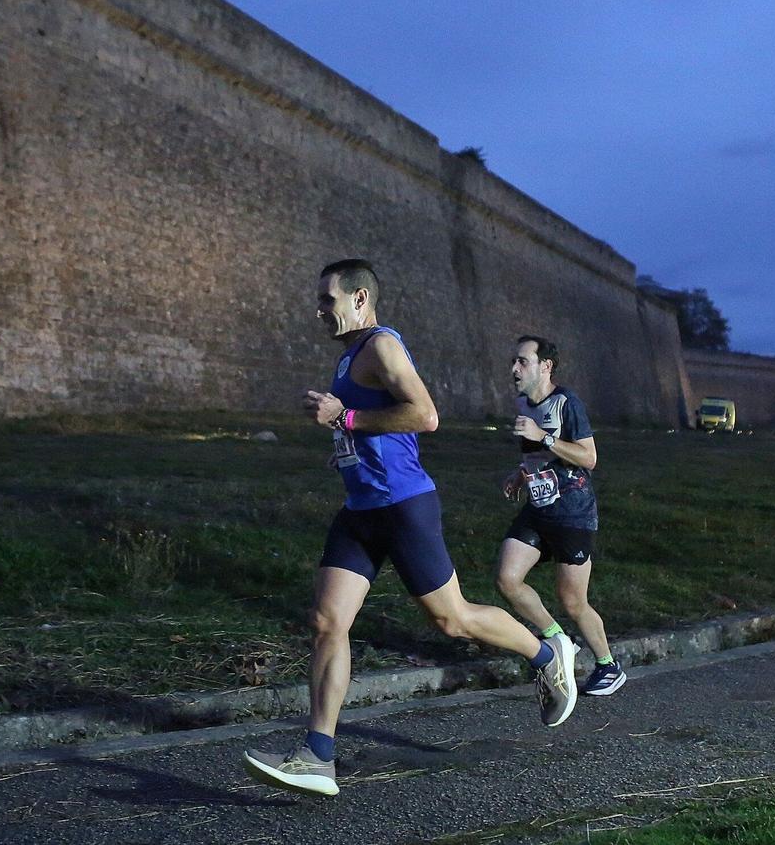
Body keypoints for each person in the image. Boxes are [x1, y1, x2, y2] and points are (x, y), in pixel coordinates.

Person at [243, 260, 578, 797]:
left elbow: (425, 416)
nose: (320, 310)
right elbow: (375, 426)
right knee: (329, 620)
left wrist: (344, 419)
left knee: (453, 620)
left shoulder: (381, 346)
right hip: (360, 509)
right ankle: (317, 756)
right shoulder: (350, 356)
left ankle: (546, 654)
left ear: (359, 299)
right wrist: (348, 450)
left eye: (328, 299)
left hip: (404, 507)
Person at [493, 336, 625, 697]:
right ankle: (556, 639)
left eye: (522, 362)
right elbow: (537, 456)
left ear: (545, 366)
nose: (514, 369)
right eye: (514, 362)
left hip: (573, 513)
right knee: (507, 578)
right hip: (538, 508)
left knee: (573, 600)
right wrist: (521, 474)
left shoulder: (568, 404)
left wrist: (544, 437)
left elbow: (589, 458)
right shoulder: (523, 402)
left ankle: (608, 666)